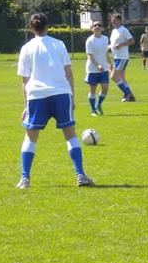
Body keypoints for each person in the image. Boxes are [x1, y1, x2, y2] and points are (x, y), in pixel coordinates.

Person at [16, 12, 94, 189]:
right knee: (70, 135)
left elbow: (25, 80)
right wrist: (72, 97)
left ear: (31, 28)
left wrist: (26, 106)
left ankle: (25, 179)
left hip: (36, 96)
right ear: (47, 26)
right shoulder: (59, 44)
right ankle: (80, 175)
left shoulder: (26, 48)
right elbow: (69, 73)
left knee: (30, 138)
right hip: (61, 94)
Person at [84, 21, 111, 116]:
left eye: (99, 25)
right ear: (92, 28)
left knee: (105, 88)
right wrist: (97, 65)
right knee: (93, 90)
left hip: (104, 69)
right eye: (95, 25)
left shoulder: (105, 39)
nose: (97, 26)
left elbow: (106, 53)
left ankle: (98, 105)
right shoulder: (90, 40)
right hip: (92, 69)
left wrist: (110, 64)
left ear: (102, 28)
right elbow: (90, 56)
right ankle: (93, 110)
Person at [109, 13, 136, 102]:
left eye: (115, 20)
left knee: (113, 76)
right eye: (112, 21)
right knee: (122, 78)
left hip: (122, 57)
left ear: (120, 21)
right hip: (116, 57)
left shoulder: (124, 30)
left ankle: (128, 93)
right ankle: (130, 96)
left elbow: (132, 41)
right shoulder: (114, 31)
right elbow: (113, 44)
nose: (113, 22)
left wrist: (121, 45)